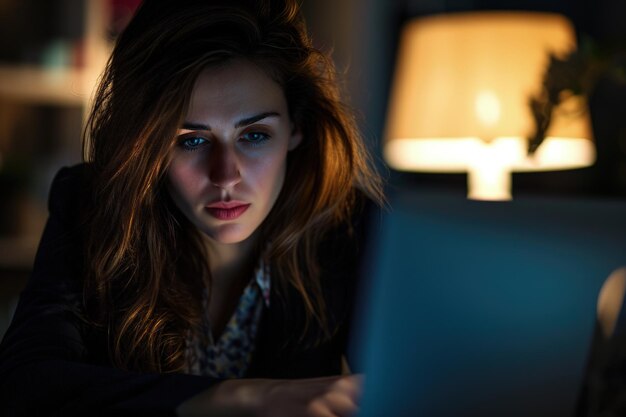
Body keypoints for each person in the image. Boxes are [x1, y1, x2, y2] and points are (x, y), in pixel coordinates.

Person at [0, 0, 384, 416]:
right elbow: (23, 385)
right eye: (191, 140)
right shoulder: (90, 206)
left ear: (297, 128)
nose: (225, 175)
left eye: (254, 135)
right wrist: (236, 397)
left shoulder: (350, 228)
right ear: (147, 147)